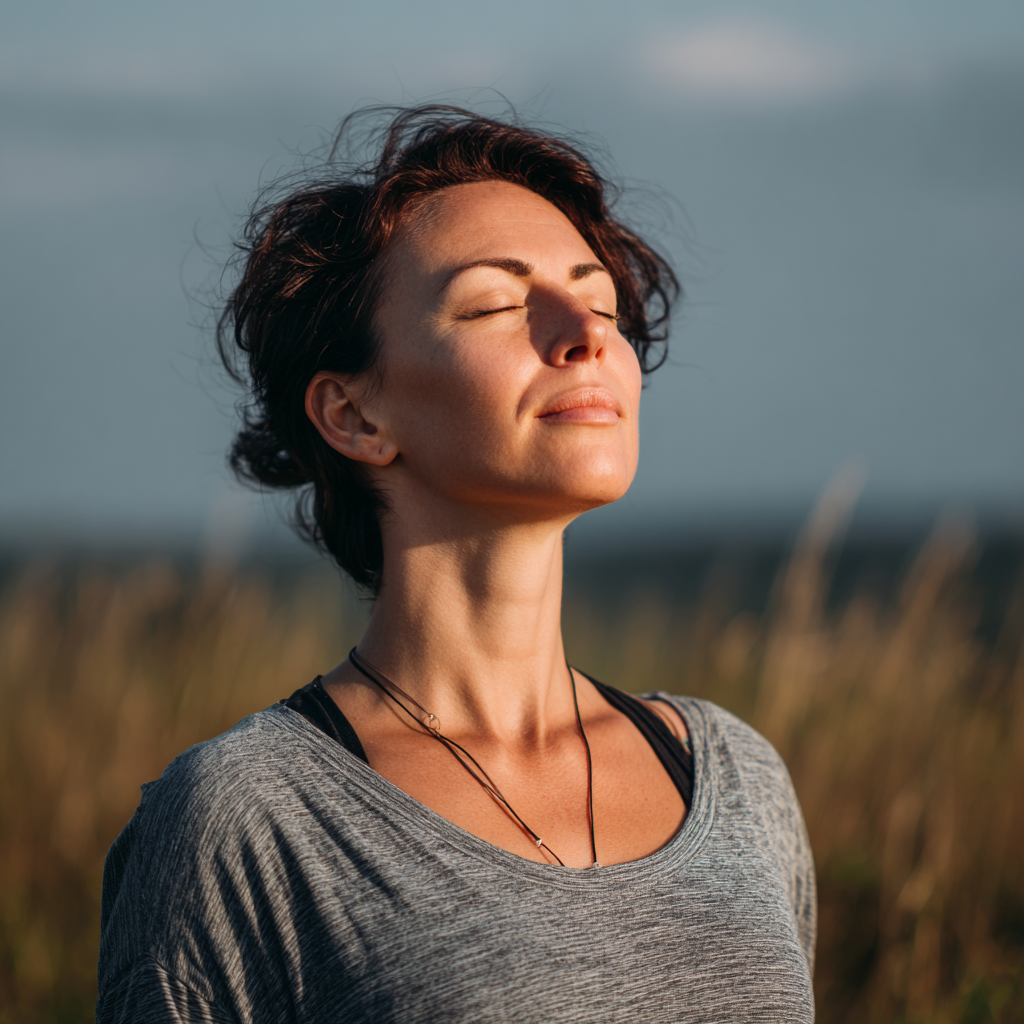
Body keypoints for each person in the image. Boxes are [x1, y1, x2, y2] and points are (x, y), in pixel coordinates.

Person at [97, 105, 816, 1023]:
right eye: (494, 304)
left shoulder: (737, 777)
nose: (586, 334)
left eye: (600, 302)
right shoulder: (248, 818)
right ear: (354, 416)